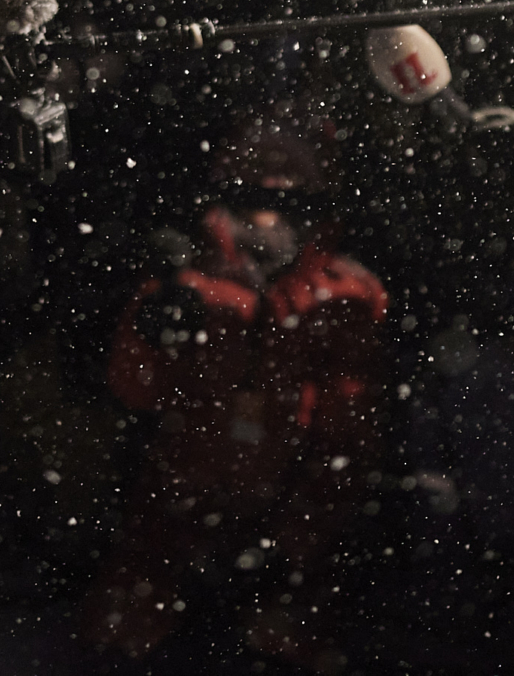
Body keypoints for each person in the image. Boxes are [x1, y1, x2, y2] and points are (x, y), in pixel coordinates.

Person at [79, 118, 387, 673]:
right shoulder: (187, 287)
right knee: (124, 635)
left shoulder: (349, 296)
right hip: (177, 517)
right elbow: (135, 391)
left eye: (287, 199)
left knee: (288, 641)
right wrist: (148, 332)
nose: (267, 215)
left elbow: (349, 439)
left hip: (284, 525)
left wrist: (295, 543)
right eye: (250, 196)